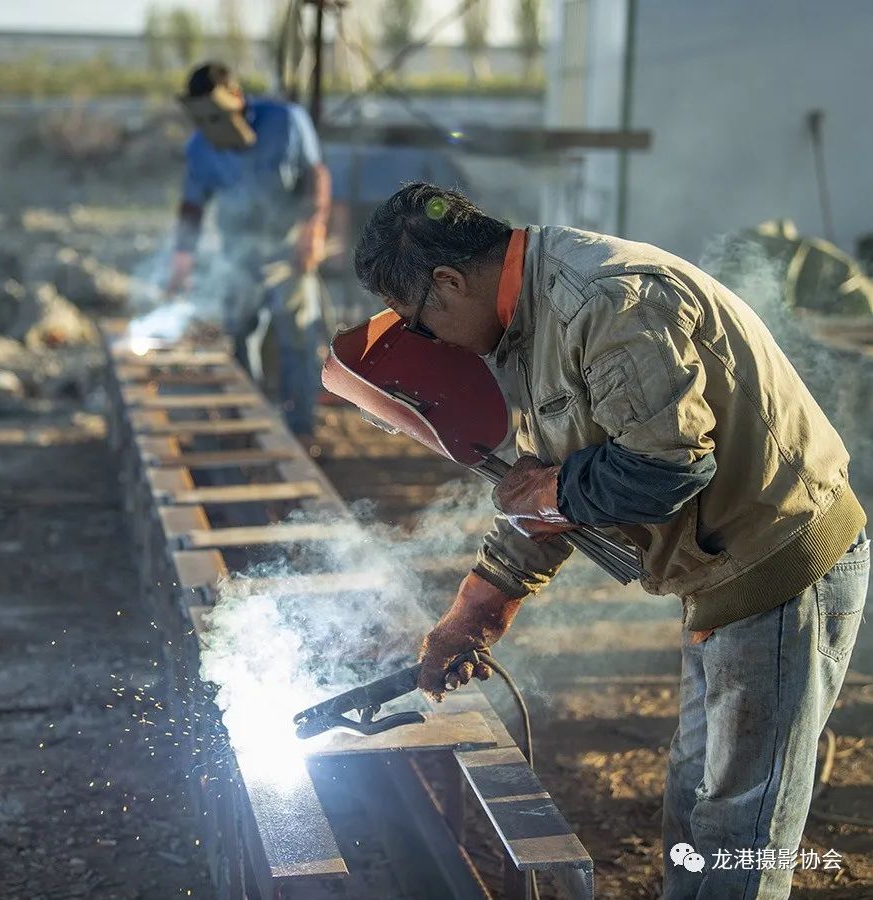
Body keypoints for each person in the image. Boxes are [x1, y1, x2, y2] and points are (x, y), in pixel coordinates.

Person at [353, 183, 869, 899]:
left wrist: (552, 490)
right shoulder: (530, 317)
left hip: (781, 566)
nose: (429, 342)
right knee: (694, 803)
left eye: (419, 323)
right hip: (721, 575)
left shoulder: (604, 302)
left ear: (448, 282)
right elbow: (555, 479)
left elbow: (667, 466)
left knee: (740, 831)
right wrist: (473, 614)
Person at [169, 61, 331, 440]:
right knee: (239, 336)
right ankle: (248, 424)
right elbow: (192, 205)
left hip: (288, 252)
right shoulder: (199, 147)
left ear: (237, 96)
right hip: (237, 256)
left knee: (297, 338)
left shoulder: (287, 121)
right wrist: (182, 258)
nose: (212, 127)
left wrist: (314, 227)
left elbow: (315, 175)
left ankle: (299, 429)